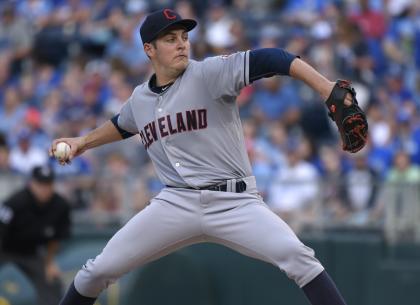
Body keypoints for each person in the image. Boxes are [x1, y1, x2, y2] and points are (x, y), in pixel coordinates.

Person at [51, 8, 361, 305]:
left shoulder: (209, 73)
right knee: (97, 271)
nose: (181, 44)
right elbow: (122, 124)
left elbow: (273, 58)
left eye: (183, 37)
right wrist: (82, 142)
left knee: (299, 259)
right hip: (175, 203)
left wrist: (325, 88)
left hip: (235, 202)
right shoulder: (140, 99)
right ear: (149, 49)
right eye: (170, 39)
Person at [0, 165, 71, 305]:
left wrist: (50, 263)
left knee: (52, 280)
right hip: (4, 248)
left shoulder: (60, 205)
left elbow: (56, 238)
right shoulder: (15, 202)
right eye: (41, 184)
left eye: (48, 184)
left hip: (32, 252)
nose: (44, 189)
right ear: (31, 183)